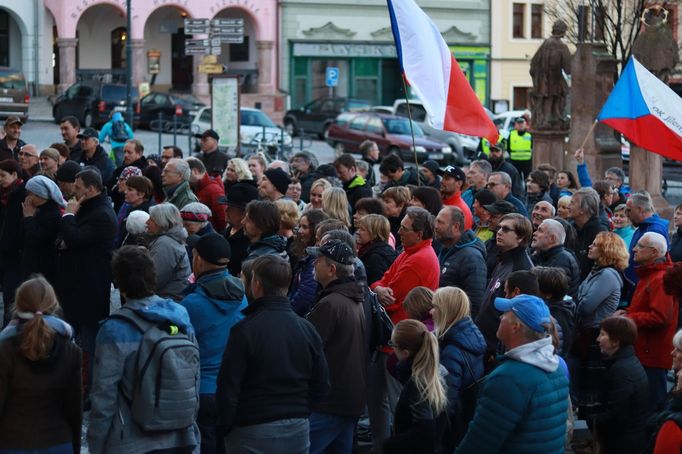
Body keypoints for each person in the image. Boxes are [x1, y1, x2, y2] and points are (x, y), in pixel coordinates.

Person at [88, 246, 200, 453]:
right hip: (181, 435)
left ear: (120, 284)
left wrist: (96, 444)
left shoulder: (115, 329)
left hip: (131, 439)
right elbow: (193, 375)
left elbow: (104, 396)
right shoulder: (180, 315)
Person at [215, 255, 329, 453]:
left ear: (256, 284)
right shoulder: (306, 329)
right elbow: (321, 384)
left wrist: (224, 426)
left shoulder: (244, 330)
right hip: (297, 427)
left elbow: (229, 387)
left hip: (252, 428)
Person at [456, 294, 569, 453]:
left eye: (505, 314)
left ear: (515, 326)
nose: (500, 317)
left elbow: (479, 444)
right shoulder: (556, 366)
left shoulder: (507, 379)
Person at [369, 207, 440, 451]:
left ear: (419, 233)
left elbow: (392, 299)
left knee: (397, 404)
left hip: (400, 342)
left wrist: (378, 291)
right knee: (378, 400)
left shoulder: (419, 258)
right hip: (391, 338)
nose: (398, 232)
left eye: (404, 229)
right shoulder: (408, 251)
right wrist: (377, 289)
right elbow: (382, 281)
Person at [180, 233, 247, 454]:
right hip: (234, 387)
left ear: (198, 259)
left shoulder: (192, 305)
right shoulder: (242, 295)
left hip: (203, 390)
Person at [0, 277, 82, 453]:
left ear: (18, 307)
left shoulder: (5, 350)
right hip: (58, 442)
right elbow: (74, 409)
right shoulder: (71, 351)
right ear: (53, 306)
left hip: (13, 442)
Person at [56, 169, 116, 394]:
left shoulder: (100, 213)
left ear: (91, 189)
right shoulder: (88, 208)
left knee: (90, 345)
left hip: (89, 289)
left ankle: (89, 391)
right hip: (75, 286)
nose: (74, 190)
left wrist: (69, 216)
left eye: (78, 187)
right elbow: (64, 240)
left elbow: (73, 238)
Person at [306, 240, 367, 454]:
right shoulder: (351, 299)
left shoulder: (331, 304)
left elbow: (309, 350)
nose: (314, 264)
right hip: (346, 398)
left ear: (332, 269)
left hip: (331, 401)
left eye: (318, 260)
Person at [571, 231, 628, 410]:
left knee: (592, 388)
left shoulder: (607, 275)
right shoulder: (596, 271)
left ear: (606, 250)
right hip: (586, 333)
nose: (590, 246)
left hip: (595, 334)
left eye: (595, 244)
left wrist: (578, 302)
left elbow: (585, 307)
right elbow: (579, 298)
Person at [620, 231, 677, 412]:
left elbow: (660, 317)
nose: (634, 249)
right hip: (645, 350)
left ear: (653, 253)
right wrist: (627, 312)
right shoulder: (650, 275)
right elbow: (644, 309)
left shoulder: (660, 279)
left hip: (652, 354)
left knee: (651, 407)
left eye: (640, 246)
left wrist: (628, 318)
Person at [431, 287, 486, 448]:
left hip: (452, 431)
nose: (431, 311)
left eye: (435, 307)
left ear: (445, 311)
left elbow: (446, 403)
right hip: (463, 423)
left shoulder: (452, 351)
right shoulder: (469, 334)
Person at [383, 319, 447, 453]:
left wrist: (391, 445)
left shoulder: (418, 384)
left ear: (405, 353)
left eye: (393, 345)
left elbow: (425, 430)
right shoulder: (438, 372)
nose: (392, 349)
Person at [587, 316, 650, 453]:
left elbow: (617, 415)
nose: (598, 339)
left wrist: (593, 421)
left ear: (615, 341)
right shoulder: (629, 362)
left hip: (622, 445)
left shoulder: (621, 371)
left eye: (602, 334)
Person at [476, 213, 534, 356]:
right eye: (499, 228)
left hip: (495, 346)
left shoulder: (520, 269)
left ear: (520, 238)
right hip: (484, 340)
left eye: (506, 229)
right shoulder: (503, 259)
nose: (499, 232)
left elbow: (515, 316)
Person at [434, 206, 487, 314]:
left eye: (440, 222)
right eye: (436, 221)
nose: (435, 226)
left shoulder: (472, 257)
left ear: (456, 227)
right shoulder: (446, 249)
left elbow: (475, 302)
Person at [20, 176, 66, 283]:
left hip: (43, 268)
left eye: (30, 194)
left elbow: (35, 238)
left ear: (40, 194)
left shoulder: (53, 215)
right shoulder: (37, 209)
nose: (27, 198)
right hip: (31, 264)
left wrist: (28, 218)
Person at [146, 203, 191, 301]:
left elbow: (154, 280)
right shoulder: (170, 239)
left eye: (151, 219)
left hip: (167, 302)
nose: (147, 222)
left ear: (161, 222)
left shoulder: (165, 243)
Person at [289, 209, 330, 316]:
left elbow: (305, 296)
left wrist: (288, 314)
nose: (300, 231)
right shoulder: (303, 252)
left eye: (305, 227)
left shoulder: (315, 259)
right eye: (300, 226)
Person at [625, 191, 670, 285]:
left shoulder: (654, 230)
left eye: (629, 210)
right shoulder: (642, 228)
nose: (626, 214)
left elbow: (653, 264)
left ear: (640, 209)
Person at [0, 159, 26, 316]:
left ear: (14, 174)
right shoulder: (4, 194)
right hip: (4, 253)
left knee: (12, 300)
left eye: (3, 175)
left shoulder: (22, 194)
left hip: (16, 256)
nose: (0, 179)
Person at [532, 266, 576, 357]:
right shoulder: (561, 309)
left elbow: (555, 351)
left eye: (535, 288)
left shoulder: (554, 317)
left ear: (548, 295)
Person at [531, 219, 581, 299]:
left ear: (552, 239)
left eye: (540, 231)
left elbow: (554, 295)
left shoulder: (563, 259)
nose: (534, 233)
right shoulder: (540, 254)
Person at [570, 187, 608, 280]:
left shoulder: (600, 233)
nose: (568, 206)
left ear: (582, 209)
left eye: (572, 203)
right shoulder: (571, 228)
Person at [222, 182, 259, 277]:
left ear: (244, 214)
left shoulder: (250, 242)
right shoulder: (226, 232)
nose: (226, 210)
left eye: (230, 208)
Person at [187, 157, 227, 232]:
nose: (183, 176)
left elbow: (222, 220)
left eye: (185, 172)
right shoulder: (194, 187)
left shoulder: (214, 190)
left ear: (195, 171)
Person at [356, 213, 398, 286]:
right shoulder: (382, 250)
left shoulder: (375, 257)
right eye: (358, 228)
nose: (358, 232)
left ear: (374, 234)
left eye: (362, 229)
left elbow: (376, 286)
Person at [115, 175, 153, 248]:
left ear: (141, 194)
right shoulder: (130, 208)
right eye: (126, 189)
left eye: (130, 189)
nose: (125, 192)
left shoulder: (142, 217)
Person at [110, 139, 148, 211]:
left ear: (139, 153)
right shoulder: (119, 170)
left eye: (129, 152)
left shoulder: (145, 171)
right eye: (124, 152)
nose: (125, 155)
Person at [439, 165, 473, 229]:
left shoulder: (462, 211)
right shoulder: (437, 200)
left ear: (459, 183)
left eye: (446, 179)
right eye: (442, 178)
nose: (441, 181)